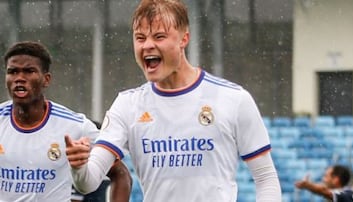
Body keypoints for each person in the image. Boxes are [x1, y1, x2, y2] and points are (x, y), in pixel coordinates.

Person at [65, 0, 282, 201]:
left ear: (183, 39)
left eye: (159, 37)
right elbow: (88, 182)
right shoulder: (127, 105)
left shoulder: (233, 99)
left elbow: (266, 178)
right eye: (140, 38)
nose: (147, 45)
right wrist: (79, 166)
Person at [0, 41, 131, 202]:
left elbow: (121, 174)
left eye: (29, 71)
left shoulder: (76, 127)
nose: (19, 78)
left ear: (46, 79)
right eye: (12, 72)